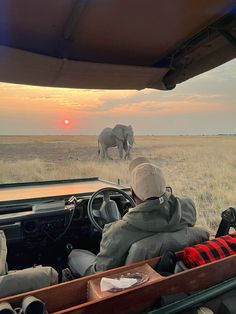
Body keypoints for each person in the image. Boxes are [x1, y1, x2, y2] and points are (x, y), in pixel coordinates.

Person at [68, 157, 209, 276]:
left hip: (131, 286)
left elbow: (100, 273)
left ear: (132, 193)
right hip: (175, 276)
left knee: (74, 255)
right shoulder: (187, 207)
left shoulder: (117, 232)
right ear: (165, 189)